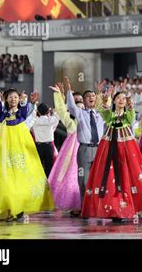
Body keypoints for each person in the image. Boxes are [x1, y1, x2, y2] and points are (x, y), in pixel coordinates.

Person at [0, 89, 54, 221]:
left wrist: (32, 102)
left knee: (20, 181)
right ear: (5, 99)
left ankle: (18, 210)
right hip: (4, 154)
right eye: (10, 97)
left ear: (19, 100)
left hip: (20, 154)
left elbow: (30, 112)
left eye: (15, 97)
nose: (13, 99)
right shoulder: (1, 115)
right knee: (6, 181)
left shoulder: (23, 115)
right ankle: (9, 210)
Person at [82, 89, 142, 221]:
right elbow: (102, 111)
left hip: (126, 148)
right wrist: (104, 99)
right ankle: (114, 207)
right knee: (111, 176)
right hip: (110, 147)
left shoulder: (127, 116)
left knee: (129, 175)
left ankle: (130, 207)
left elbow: (130, 117)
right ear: (114, 101)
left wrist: (131, 107)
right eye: (119, 98)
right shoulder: (110, 116)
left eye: (124, 98)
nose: (122, 100)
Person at [65, 77, 104, 205]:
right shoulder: (80, 113)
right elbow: (71, 106)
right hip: (84, 149)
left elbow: (108, 108)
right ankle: (86, 205)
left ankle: (98, 205)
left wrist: (102, 93)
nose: (91, 97)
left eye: (93, 96)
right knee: (84, 179)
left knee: (100, 178)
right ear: (84, 100)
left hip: (99, 149)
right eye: (88, 96)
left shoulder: (101, 114)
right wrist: (69, 91)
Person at [48, 84, 82, 215]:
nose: (79, 105)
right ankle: (74, 204)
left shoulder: (87, 116)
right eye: (75, 102)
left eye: (80, 102)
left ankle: (85, 202)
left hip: (87, 147)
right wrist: (58, 95)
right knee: (70, 176)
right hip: (71, 151)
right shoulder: (68, 120)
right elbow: (61, 109)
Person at [31, 103, 59, 178]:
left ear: (38, 112)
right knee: (49, 166)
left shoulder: (34, 121)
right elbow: (57, 118)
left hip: (38, 146)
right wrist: (54, 112)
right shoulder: (51, 120)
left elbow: (30, 123)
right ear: (48, 111)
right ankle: (48, 184)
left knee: (38, 166)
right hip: (49, 146)